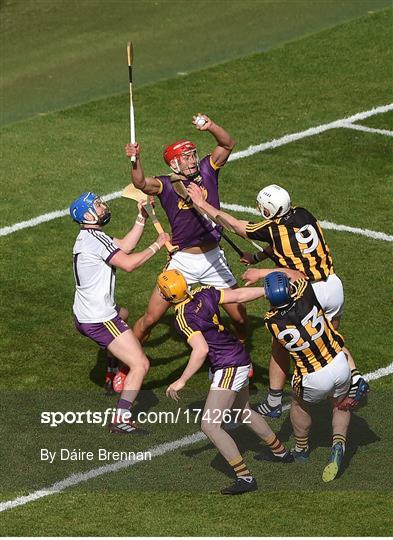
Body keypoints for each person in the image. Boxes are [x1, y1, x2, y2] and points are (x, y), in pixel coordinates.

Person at [186, 182, 369, 416]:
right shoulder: (303, 213)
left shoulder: (272, 228)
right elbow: (283, 243)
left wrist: (202, 204)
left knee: (281, 344)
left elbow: (234, 225)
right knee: (330, 340)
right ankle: (355, 377)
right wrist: (257, 256)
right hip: (333, 286)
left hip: (307, 290)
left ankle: (274, 401)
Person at [158, 269, 293, 496]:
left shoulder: (183, 317)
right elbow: (238, 296)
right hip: (238, 357)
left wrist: (182, 380)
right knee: (243, 411)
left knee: (209, 425)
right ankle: (281, 453)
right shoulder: (204, 293)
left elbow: (201, 350)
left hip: (228, 366)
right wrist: (268, 291)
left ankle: (245, 477)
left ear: (166, 297)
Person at [124, 113, 247, 345]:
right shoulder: (166, 185)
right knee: (151, 319)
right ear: (174, 163)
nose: (192, 161)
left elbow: (227, 144)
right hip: (183, 263)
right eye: (185, 158)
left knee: (240, 319)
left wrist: (211, 126)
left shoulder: (208, 169)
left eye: (192, 155)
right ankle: (122, 361)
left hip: (214, 259)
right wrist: (135, 160)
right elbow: (140, 183)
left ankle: (239, 351)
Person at [70, 191, 170, 433]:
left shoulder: (89, 236)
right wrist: (158, 243)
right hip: (100, 319)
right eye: (98, 205)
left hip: (82, 314)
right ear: (88, 214)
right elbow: (129, 263)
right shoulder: (96, 240)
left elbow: (124, 246)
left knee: (123, 313)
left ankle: (112, 369)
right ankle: (121, 418)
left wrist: (141, 217)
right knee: (140, 364)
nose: (103, 207)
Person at [262, 271, 357, 481]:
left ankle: (301, 449)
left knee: (298, 405)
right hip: (339, 364)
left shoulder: (271, 321)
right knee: (340, 404)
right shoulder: (306, 291)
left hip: (312, 375)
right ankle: (338, 442)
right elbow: (298, 276)